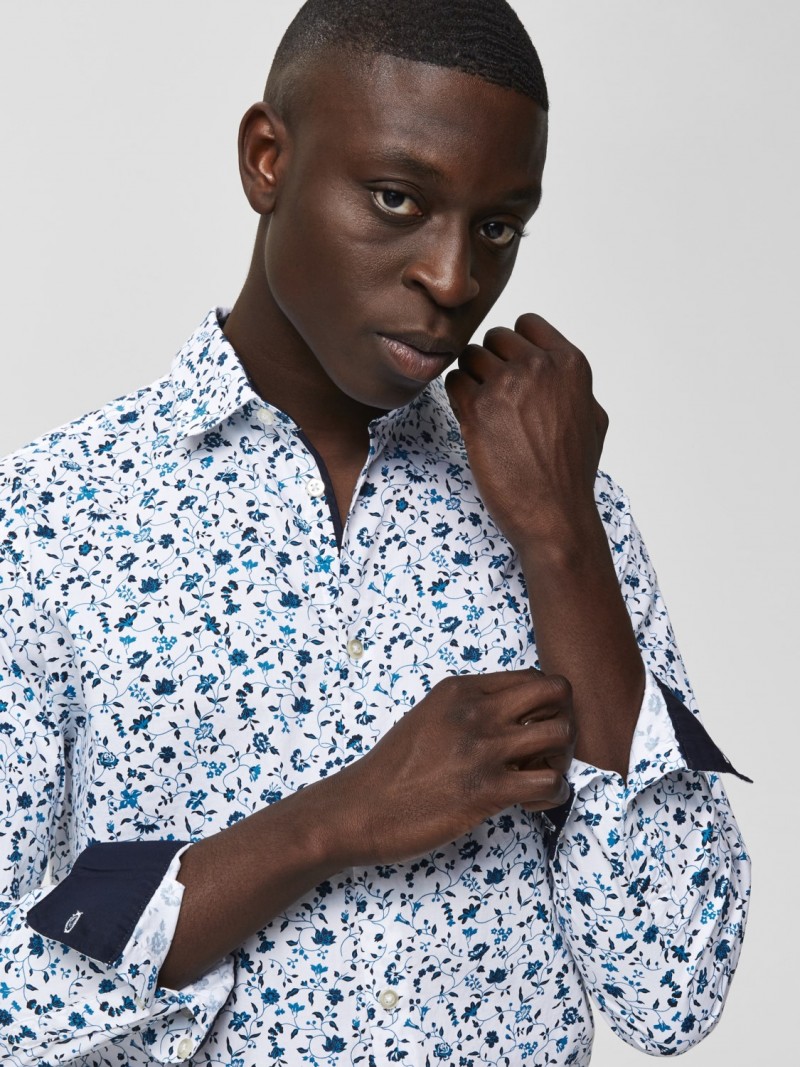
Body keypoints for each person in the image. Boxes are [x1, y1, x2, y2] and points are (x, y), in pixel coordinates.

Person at [0, 1, 750, 1064]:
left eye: (497, 227)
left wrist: (562, 543)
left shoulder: (560, 504)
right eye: (398, 199)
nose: (453, 279)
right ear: (268, 160)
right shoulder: (51, 523)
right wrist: (331, 822)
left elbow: (672, 987)